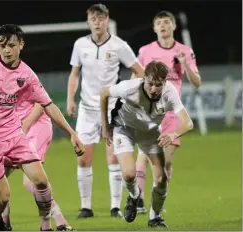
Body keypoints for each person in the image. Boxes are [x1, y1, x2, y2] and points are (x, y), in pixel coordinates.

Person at [0, 24, 84, 231]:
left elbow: (48, 105)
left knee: (41, 181)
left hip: (14, 136)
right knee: (3, 197)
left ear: (21, 45)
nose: (6, 50)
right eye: (2, 45)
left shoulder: (28, 75)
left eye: (11, 45)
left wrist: (72, 133)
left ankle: (45, 227)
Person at [0, 33, 74, 231]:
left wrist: (23, 126)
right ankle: (4, 223)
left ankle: (53, 223)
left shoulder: (22, 72)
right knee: (1, 181)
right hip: (11, 132)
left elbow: (41, 104)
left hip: (34, 126)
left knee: (32, 180)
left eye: (0, 48)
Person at [67, 3, 144, 218]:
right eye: (93, 18)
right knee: (83, 157)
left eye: (101, 18)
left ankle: (115, 207)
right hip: (87, 109)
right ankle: (86, 207)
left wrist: (127, 93)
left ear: (107, 20)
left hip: (113, 109)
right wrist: (70, 98)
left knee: (113, 157)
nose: (97, 22)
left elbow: (139, 71)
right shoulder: (80, 44)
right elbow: (74, 74)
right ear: (88, 21)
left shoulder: (119, 45)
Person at [100, 61, 194, 227]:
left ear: (164, 82)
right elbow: (104, 93)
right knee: (129, 174)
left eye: (158, 85)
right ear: (144, 79)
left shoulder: (169, 93)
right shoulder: (129, 88)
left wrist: (174, 134)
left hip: (150, 133)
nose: (153, 89)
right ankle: (134, 195)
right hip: (124, 129)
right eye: (150, 83)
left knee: (161, 178)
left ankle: (155, 217)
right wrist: (106, 126)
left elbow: (188, 123)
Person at [134, 11, 201, 213]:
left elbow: (197, 82)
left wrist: (186, 64)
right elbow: (135, 76)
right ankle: (139, 199)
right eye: (158, 23)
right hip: (149, 110)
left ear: (173, 26)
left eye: (166, 23)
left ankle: (158, 200)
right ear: (154, 28)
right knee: (144, 154)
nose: (162, 26)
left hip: (172, 114)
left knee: (166, 163)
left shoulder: (185, 50)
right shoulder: (145, 51)